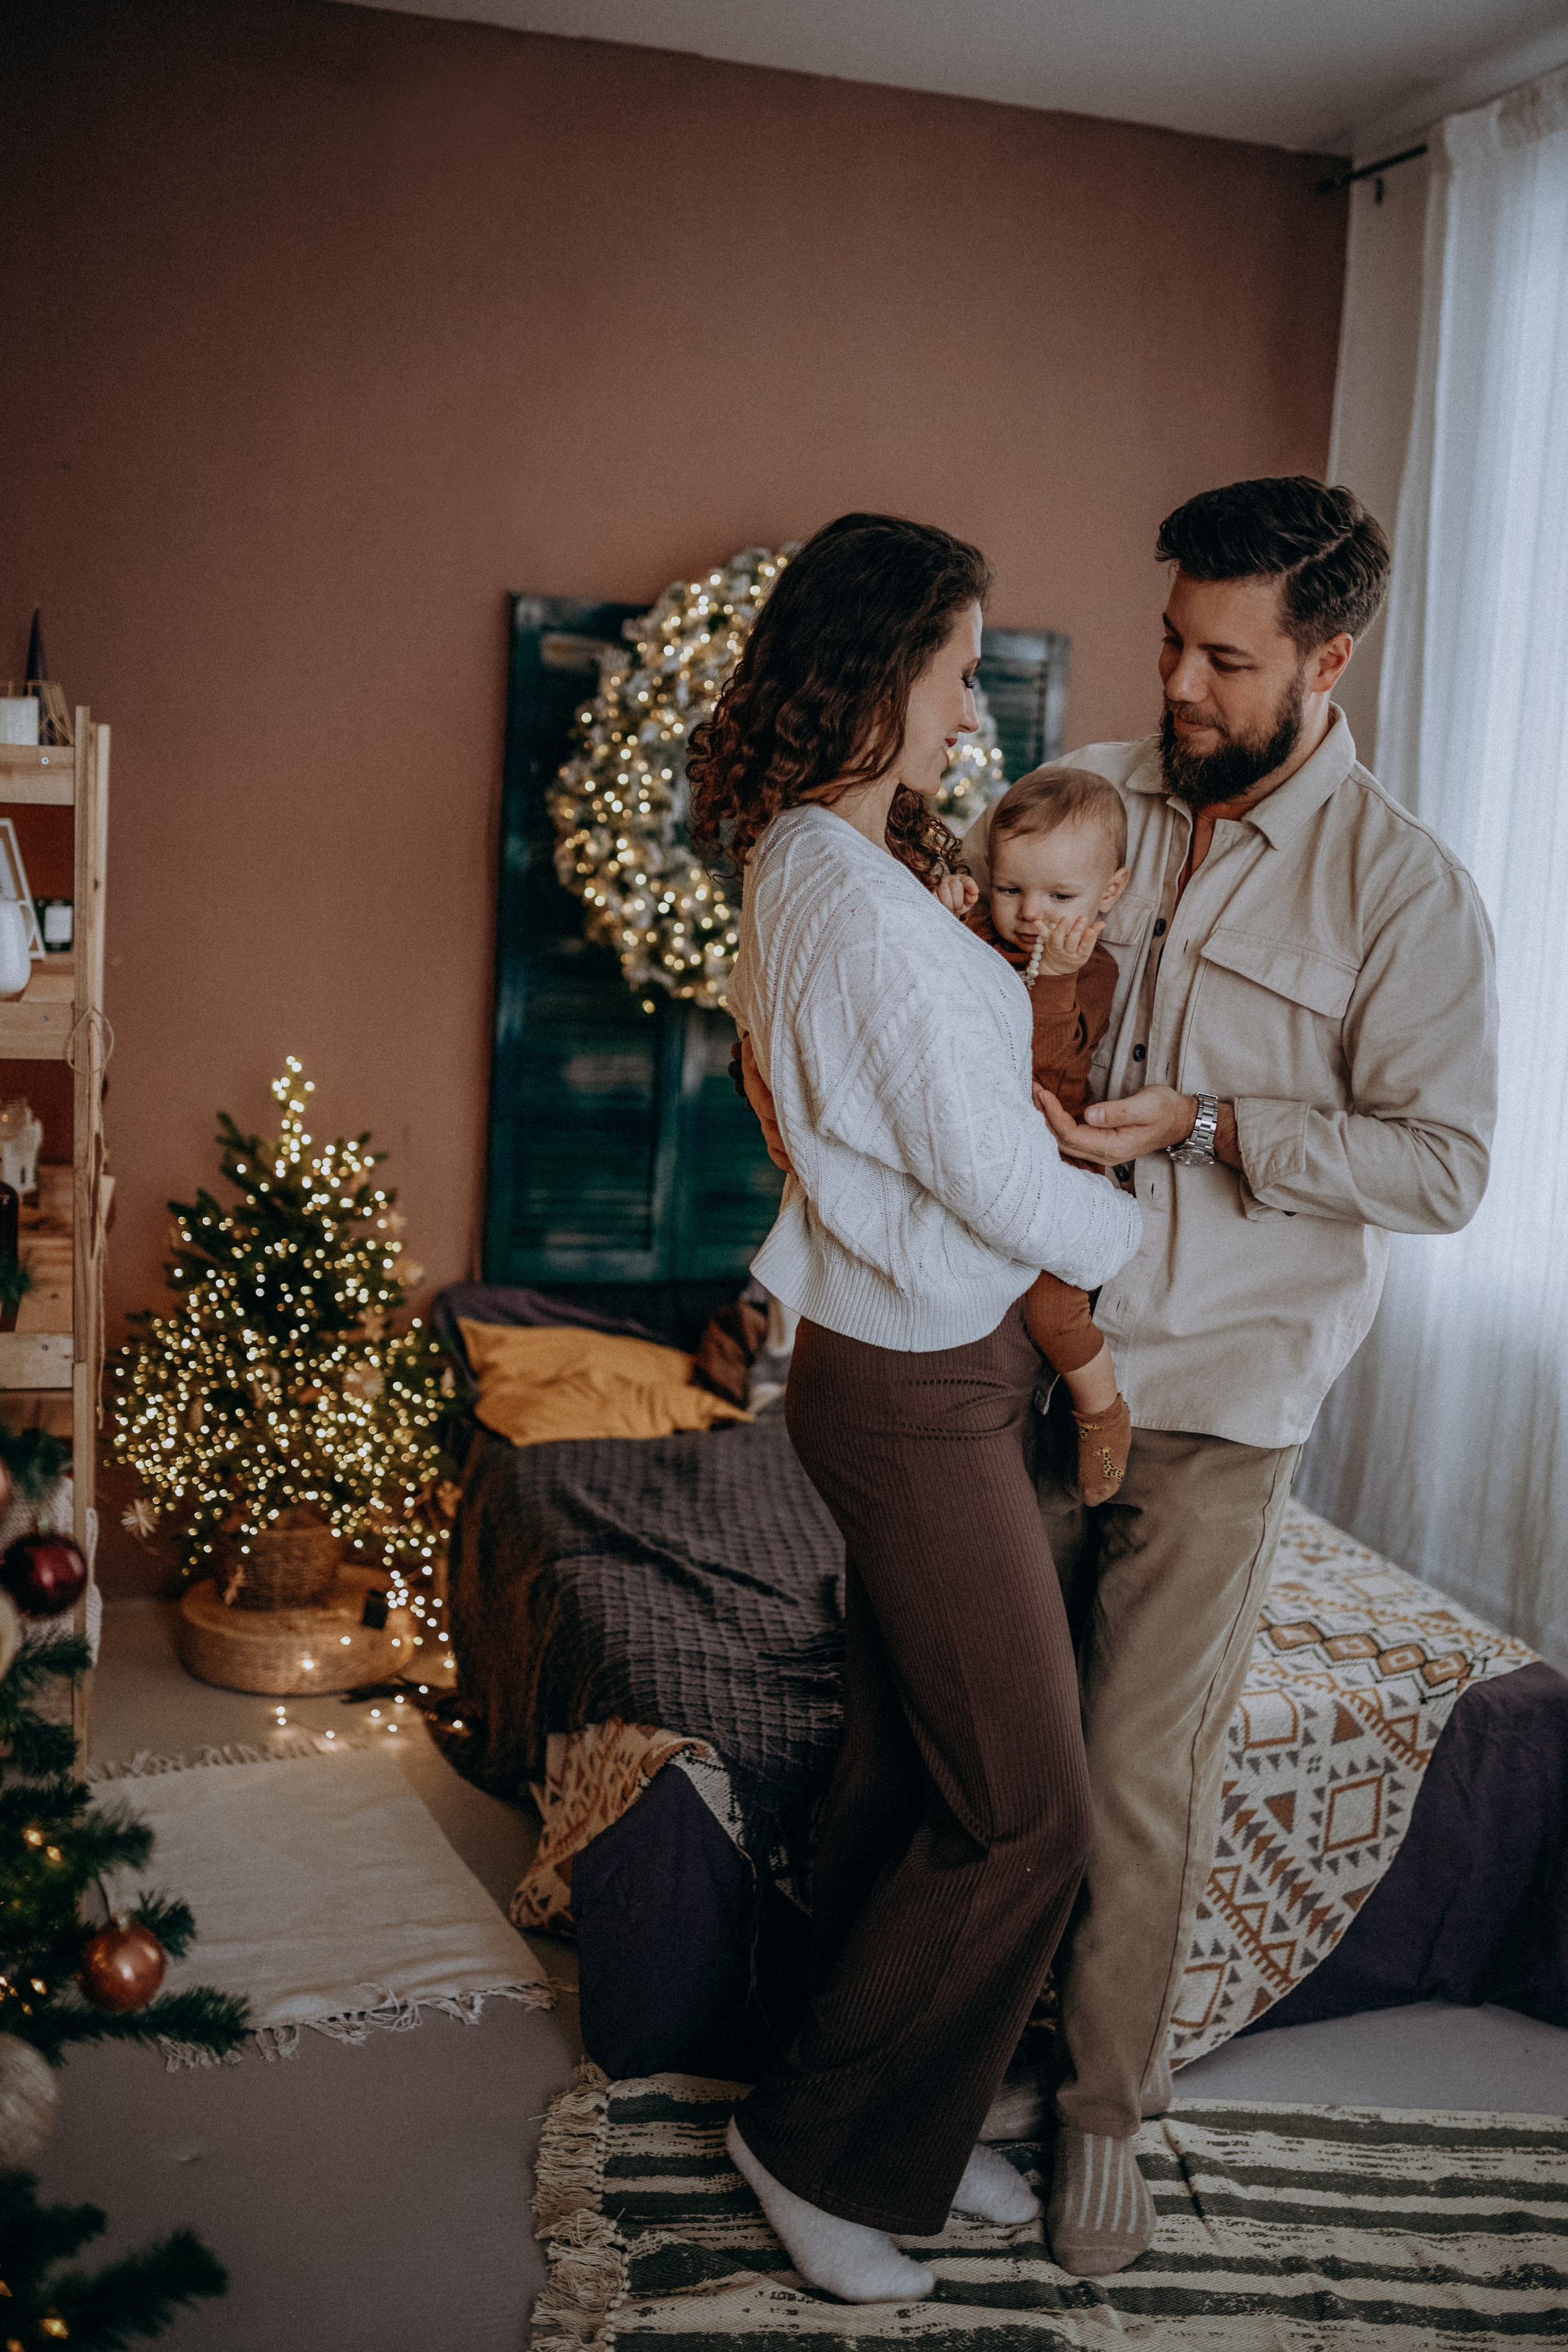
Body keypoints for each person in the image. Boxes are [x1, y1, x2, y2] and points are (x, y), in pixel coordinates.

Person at [737, 475, 1498, 2278]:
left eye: (1220, 659)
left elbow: (1445, 1168)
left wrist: (1222, 1122)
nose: (1174, 681)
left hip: (1219, 1395)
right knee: (944, 1745)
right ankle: (888, 2103)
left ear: (1326, 658)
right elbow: (921, 989)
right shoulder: (1082, 790)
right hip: (1006, 1357)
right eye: (1168, 636)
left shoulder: (1404, 891)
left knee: (1126, 1783)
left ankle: (1095, 2121)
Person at [689, 511, 1142, 2304]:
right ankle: (814, 2149)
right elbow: (984, 1169)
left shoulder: (829, 862)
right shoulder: (855, 904)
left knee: (901, 1772)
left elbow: (924, 1132)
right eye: (960, 664)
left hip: (915, 1369)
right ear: (885, 664)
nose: (977, 701)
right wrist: (1125, 1231)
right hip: (921, 1393)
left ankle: (812, 2074)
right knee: (1029, 1810)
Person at [965, 766, 1134, 1504]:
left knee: (1052, 1309)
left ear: (1109, 894)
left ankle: (1102, 1408)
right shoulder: (975, 935)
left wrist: (1055, 977)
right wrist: (948, 908)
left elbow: (1046, 1058)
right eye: (1010, 890)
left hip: (1057, 1160)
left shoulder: (1092, 972)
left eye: (1059, 898)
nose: (1029, 914)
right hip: (977, 1154)